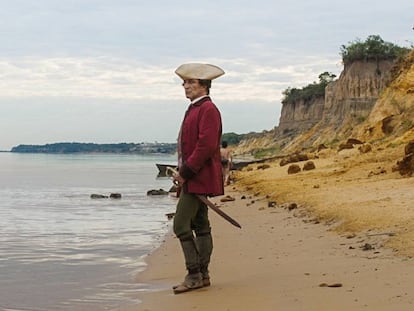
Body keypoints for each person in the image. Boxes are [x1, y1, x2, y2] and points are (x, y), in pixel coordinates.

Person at [171, 63, 225, 294]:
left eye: (191, 82)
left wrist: (184, 173)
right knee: (200, 224)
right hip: (194, 177)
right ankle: (202, 275)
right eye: (185, 82)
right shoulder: (194, 108)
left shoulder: (208, 109)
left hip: (198, 177)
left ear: (204, 85)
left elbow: (206, 146)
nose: (186, 86)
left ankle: (194, 275)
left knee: (181, 226)